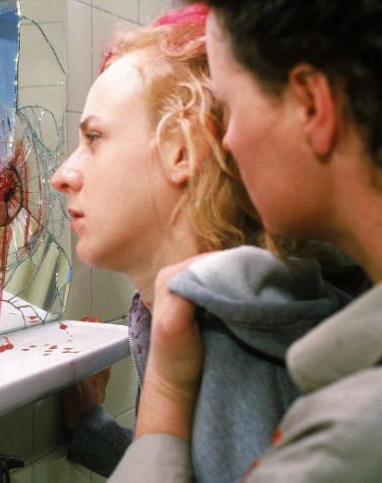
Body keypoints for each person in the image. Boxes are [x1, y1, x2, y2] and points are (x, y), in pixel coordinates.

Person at [52, 5, 355, 481]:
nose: (62, 175)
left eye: (93, 137)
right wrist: (95, 432)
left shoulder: (238, 343)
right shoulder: (206, 313)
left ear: (182, 150)